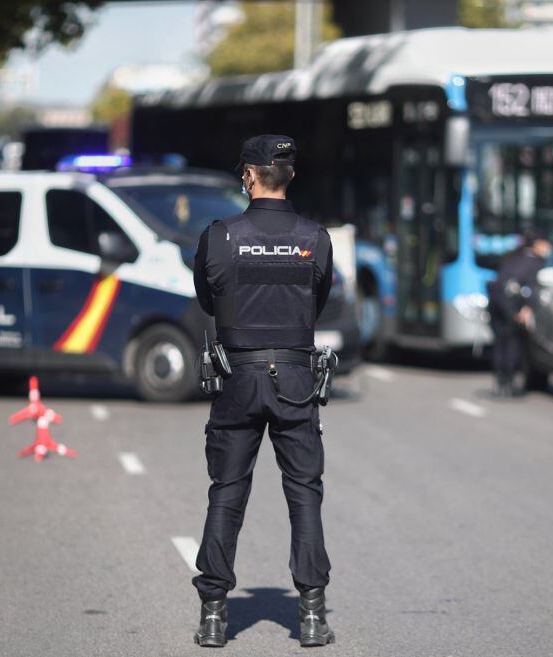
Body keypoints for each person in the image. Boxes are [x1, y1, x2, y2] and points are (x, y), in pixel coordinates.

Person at [190, 135, 335, 648]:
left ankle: (213, 614)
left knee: (227, 493)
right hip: (296, 376)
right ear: (290, 174)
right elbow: (317, 300)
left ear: (248, 175)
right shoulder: (316, 238)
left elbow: (208, 302)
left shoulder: (219, 236)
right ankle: (312, 615)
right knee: (304, 496)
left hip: (237, 379)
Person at [487, 230, 551, 397]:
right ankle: (508, 381)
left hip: (498, 305)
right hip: (512, 307)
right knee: (513, 344)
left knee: (501, 344)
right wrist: (523, 310)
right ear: (537, 243)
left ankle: (501, 381)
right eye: (545, 243)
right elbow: (529, 289)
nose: (548, 247)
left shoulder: (511, 257)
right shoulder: (534, 262)